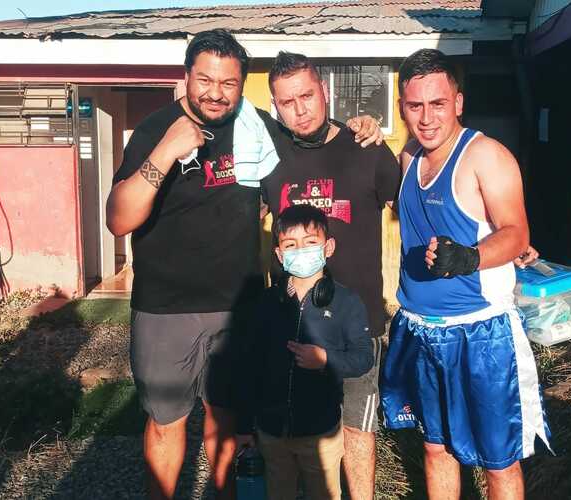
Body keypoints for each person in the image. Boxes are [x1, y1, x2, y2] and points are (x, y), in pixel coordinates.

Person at [105, 29, 383, 500]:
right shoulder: (156, 130)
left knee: (228, 420)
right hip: (166, 308)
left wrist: (361, 125)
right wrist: (166, 151)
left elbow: (308, 135)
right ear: (186, 76)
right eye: (205, 80)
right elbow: (118, 219)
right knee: (166, 422)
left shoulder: (255, 126)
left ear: (241, 85)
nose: (216, 93)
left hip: (239, 306)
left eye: (229, 83)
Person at [379, 49, 551, 500]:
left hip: (480, 333)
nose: (426, 118)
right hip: (419, 328)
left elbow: (516, 233)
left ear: (457, 102)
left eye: (438, 104)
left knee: (499, 461)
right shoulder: (409, 157)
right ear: (401, 108)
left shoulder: (486, 156)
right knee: (436, 448)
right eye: (415, 106)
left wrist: (469, 258)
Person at [260, 51, 401, 499]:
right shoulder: (268, 156)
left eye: (307, 96)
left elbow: (413, 203)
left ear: (324, 90)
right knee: (294, 437)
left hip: (358, 324)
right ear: (275, 106)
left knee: (357, 432)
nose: (300, 110)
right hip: (293, 327)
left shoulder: (367, 148)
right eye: (287, 102)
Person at [235, 204, 373, 500]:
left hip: (322, 433)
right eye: (290, 245)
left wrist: (326, 360)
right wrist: (245, 425)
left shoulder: (347, 302)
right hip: (272, 432)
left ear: (328, 247)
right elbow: (249, 367)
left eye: (310, 242)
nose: (301, 250)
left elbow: (363, 358)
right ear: (279, 254)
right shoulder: (267, 303)